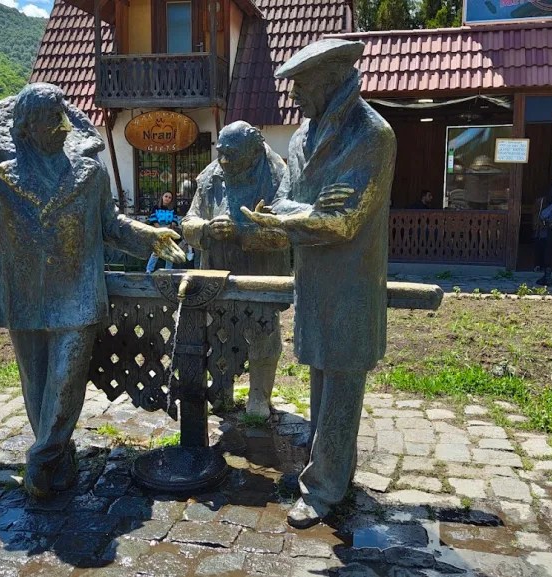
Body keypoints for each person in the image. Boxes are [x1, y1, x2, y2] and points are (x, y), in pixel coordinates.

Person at [0, 83, 185, 498]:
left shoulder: (90, 172)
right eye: (51, 119)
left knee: (65, 383)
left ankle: (41, 461)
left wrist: (150, 237)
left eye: (63, 115)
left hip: (77, 295)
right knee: (37, 386)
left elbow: (110, 226)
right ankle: (57, 461)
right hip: (23, 296)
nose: (63, 126)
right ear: (26, 127)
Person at [242, 39, 395, 528]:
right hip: (312, 280)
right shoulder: (302, 137)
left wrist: (292, 216)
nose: (295, 96)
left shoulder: (371, 135)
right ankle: (328, 471)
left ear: (331, 80)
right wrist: (296, 214)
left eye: (302, 84)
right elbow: (290, 200)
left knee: (342, 384)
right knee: (321, 383)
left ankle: (325, 488)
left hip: (352, 284)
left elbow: (343, 220)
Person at [182, 120, 292, 418]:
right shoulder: (211, 176)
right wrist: (206, 228)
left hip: (261, 274)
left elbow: (285, 234)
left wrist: (241, 232)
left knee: (263, 334)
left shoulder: (278, 176)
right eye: (221, 152)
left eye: (232, 154)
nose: (224, 161)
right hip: (217, 276)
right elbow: (188, 222)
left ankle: (259, 397)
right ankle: (221, 392)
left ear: (255, 151)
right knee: (219, 335)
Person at [145, 191, 178, 273]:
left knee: (169, 252)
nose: (167, 198)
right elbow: (153, 219)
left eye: (170, 197)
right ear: (162, 197)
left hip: (169, 231)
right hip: (157, 230)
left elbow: (175, 220)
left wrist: (167, 228)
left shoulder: (173, 209)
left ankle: (168, 271)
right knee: (156, 251)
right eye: (166, 196)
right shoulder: (156, 207)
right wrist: (160, 229)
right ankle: (149, 270)